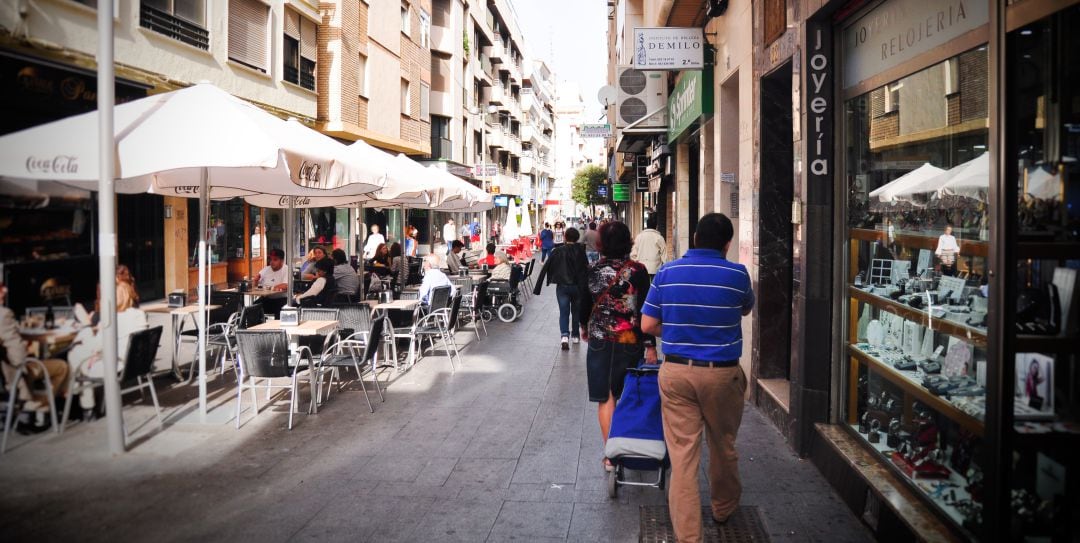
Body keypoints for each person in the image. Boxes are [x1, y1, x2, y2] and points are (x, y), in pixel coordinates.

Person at [640, 213, 754, 542]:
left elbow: (647, 325)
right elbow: (745, 309)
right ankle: (723, 506)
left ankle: (689, 537)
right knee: (723, 445)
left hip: (676, 373)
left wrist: (678, 329)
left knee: (683, 457)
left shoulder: (667, 272)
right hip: (722, 375)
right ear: (728, 244)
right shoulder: (738, 274)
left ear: (694, 238)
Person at [577, 221, 654, 472]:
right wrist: (650, 345)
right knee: (628, 394)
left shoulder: (591, 270)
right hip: (630, 341)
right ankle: (629, 446)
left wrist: (584, 328)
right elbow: (645, 310)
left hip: (600, 340)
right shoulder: (638, 270)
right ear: (628, 242)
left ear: (601, 244)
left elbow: (582, 306)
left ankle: (611, 456)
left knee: (606, 397)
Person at [68, 281, 148, 419]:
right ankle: (83, 402)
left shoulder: (112, 319)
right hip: (135, 365)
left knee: (75, 354)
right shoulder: (139, 314)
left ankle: (82, 403)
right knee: (80, 354)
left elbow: (95, 346)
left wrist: (86, 325)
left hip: (116, 365)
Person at [0, 282, 69, 431]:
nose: (5, 290)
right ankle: (40, 405)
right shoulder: (3, 314)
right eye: (0, 287)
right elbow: (19, 357)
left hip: (5, 372)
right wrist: (29, 351)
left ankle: (34, 408)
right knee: (62, 366)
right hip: (16, 373)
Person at [533, 227, 589, 350]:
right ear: (577, 238)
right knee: (576, 311)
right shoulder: (581, 251)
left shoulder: (558, 251)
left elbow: (546, 266)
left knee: (564, 312)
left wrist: (538, 287)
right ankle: (575, 336)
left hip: (562, 286)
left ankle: (564, 336)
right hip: (577, 287)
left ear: (565, 237)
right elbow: (586, 268)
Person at [630, 214, 668, 279]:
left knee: (644, 288)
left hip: (641, 269)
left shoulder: (639, 237)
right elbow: (665, 256)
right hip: (655, 269)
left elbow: (633, 255)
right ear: (656, 226)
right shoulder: (659, 238)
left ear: (646, 226)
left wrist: (638, 263)